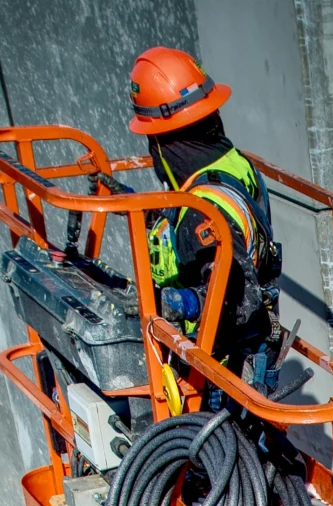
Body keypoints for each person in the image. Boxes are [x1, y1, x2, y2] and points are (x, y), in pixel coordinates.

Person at [127, 47, 285, 391]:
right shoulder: (230, 164)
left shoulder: (203, 211)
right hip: (246, 352)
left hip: (223, 373)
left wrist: (178, 302)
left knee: (208, 446)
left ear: (162, 142)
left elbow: (238, 296)